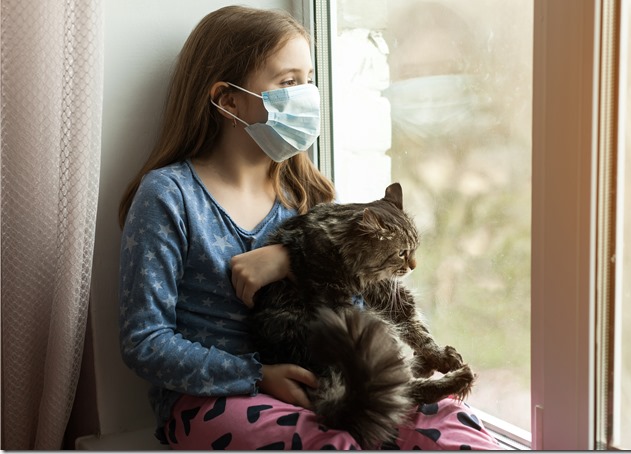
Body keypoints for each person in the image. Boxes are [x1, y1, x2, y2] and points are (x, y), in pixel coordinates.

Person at [117, 5, 500, 450]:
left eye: (309, 79)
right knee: (330, 443)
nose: (307, 95)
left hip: (330, 374)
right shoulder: (169, 195)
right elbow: (145, 340)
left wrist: (290, 258)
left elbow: (353, 297)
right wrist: (257, 376)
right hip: (212, 399)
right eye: (288, 83)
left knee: (452, 420)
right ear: (228, 100)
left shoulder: (307, 193)